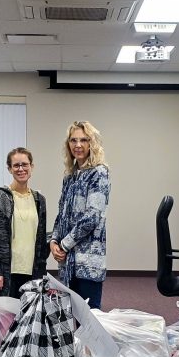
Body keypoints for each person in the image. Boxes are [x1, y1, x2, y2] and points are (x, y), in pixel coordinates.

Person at [50, 121, 110, 309]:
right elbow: (62, 215)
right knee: (68, 317)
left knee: (89, 321)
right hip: (68, 262)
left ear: (92, 143)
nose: (78, 145)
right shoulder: (70, 176)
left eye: (84, 140)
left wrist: (64, 245)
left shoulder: (99, 173)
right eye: (73, 140)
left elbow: (92, 217)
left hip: (88, 261)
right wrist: (53, 241)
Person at [0, 148, 48, 298]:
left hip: (32, 271)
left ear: (31, 167)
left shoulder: (40, 200)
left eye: (25, 164)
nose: (21, 169)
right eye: (16, 165)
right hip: (6, 272)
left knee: (29, 317)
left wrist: (41, 272)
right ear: (9, 169)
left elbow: (41, 238)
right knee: (6, 318)